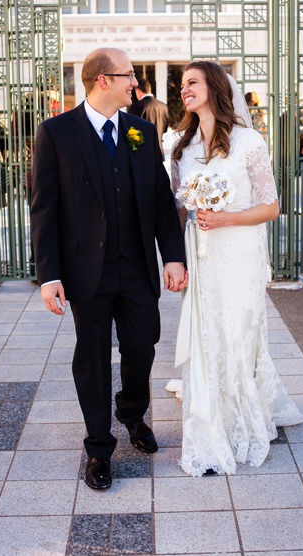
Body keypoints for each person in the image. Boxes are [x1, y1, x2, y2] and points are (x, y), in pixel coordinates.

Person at [30, 47, 187, 491]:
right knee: (93, 359)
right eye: (127, 76)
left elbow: (159, 199)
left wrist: (172, 255)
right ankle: (99, 447)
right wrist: (50, 275)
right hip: (85, 272)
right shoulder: (56, 132)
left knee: (143, 347)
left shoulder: (140, 131)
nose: (134, 83)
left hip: (137, 267)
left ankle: (132, 413)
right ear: (102, 80)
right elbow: (44, 208)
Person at [169, 60, 303, 477]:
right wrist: (176, 255)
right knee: (209, 335)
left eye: (192, 83)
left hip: (239, 253)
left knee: (240, 332)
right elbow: (176, 206)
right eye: (182, 85)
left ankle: (248, 413)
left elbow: (271, 206)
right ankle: (213, 421)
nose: (184, 90)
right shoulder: (180, 145)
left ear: (213, 86)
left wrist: (224, 217)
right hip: (202, 255)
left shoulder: (250, 142)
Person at [128, 77, 170, 153]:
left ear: (138, 91)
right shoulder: (164, 106)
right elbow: (165, 129)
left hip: (143, 153)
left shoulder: (136, 107)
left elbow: (131, 131)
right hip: (159, 152)